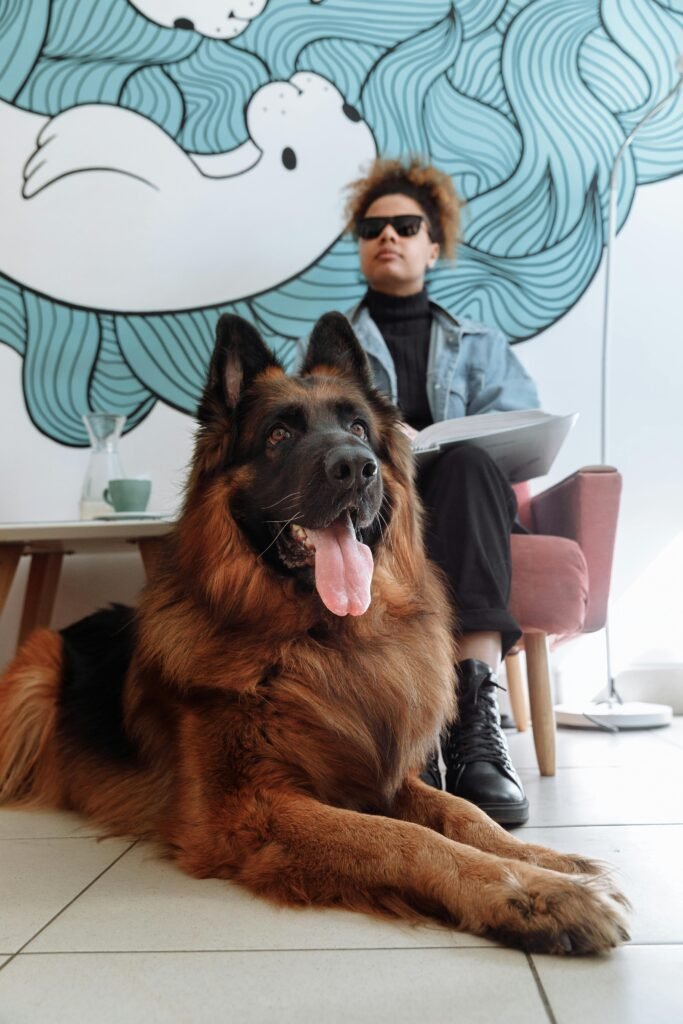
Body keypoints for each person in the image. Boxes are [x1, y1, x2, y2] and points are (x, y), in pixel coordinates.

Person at [337, 157, 540, 827]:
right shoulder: (328, 352)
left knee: (472, 465)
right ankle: (410, 732)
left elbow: (521, 434)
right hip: (375, 515)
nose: (386, 236)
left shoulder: (480, 346)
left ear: (432, 243)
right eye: (371, 227)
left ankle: (473, 722)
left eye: (404, 224)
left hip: (466, 506)